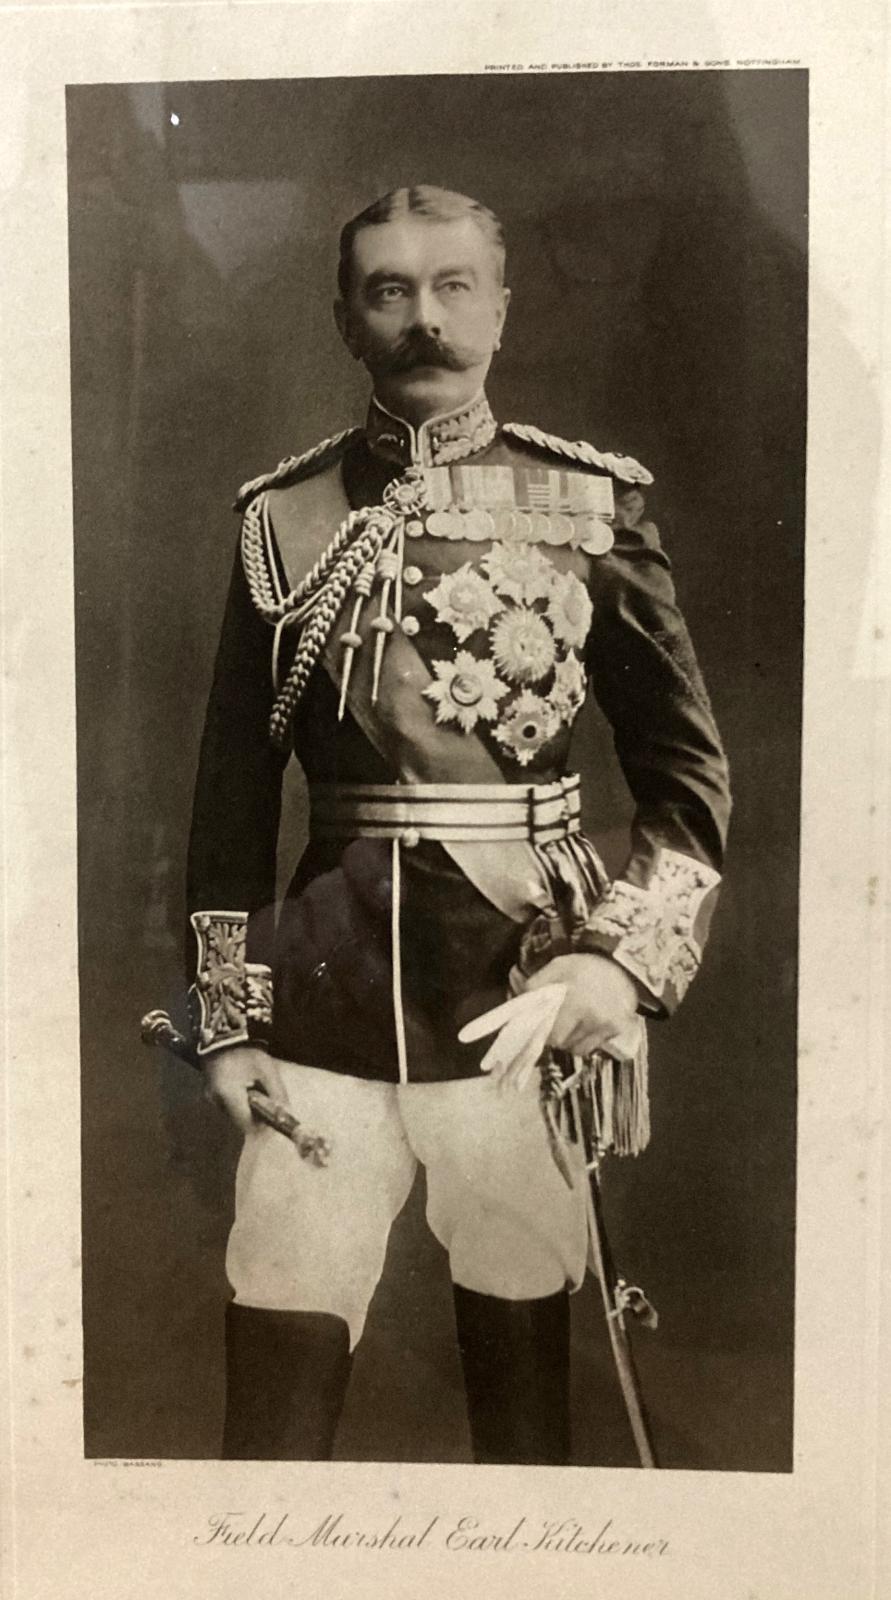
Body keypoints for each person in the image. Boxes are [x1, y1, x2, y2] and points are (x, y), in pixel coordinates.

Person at [180, 184, 731, 1465]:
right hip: (318, 988)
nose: (422, 318)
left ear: (497, 304)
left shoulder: (589, 505)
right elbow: (226, 800)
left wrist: (612, 963)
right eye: (389, 291)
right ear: (345, 320)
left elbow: (690, 786)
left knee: (524, 1338)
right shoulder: (283, 518)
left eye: (450, 287)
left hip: (518, 982)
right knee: (280, 1322)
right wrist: (222, 1025)